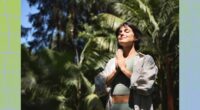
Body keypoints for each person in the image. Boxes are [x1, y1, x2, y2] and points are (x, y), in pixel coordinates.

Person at [95, 22, 158, 110]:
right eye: (120, 32)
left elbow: (146, 84)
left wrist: (123, 69)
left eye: (126, 31)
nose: (121, 33)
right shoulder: (112, 62)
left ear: (135, 37)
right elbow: (100, 85)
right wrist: (116, 71)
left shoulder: (145, 60)